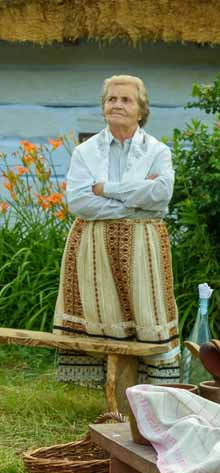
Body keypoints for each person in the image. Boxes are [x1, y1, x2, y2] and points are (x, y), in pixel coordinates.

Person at [53, 74, 179, 386]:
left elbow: (161, 195)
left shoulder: (158, 151)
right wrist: (136, 204)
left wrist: (106, 188)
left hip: (143, 246)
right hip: (93, 244)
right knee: (99, 311)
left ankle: (150, 390)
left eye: (126, 100)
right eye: (111, 99)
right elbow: (80, 202)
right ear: (103, 106)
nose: (117, 105)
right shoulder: (86, 152)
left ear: (141, 110)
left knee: (146, 312)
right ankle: (104, 388)